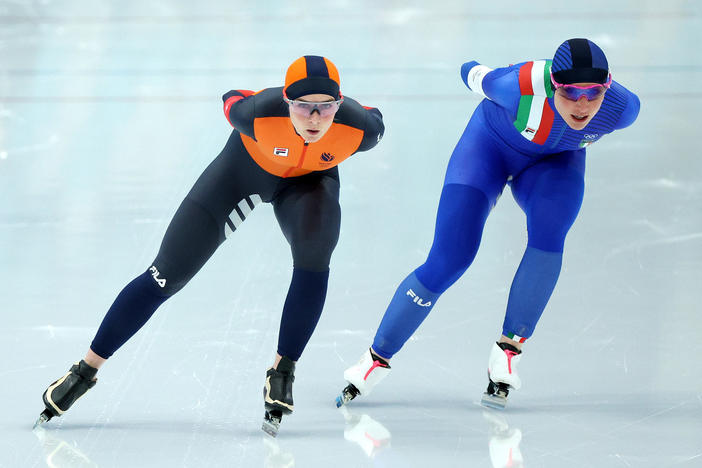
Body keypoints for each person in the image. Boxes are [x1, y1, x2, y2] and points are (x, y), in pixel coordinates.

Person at [36, 55, 385, 436]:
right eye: (303, 106)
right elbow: (232, 95)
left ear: (339, 103)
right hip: (240, 173)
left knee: (315, 258)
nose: (315, 118)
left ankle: (283, 369)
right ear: (286, 101)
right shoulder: (254, 114)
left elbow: (373, 114)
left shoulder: (360, 128)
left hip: (307, 186)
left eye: (326, 107)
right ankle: (84, 371)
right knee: (164, 276)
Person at [337, 38, 640, 409]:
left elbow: (590, 110)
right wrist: (478, 69)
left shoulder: (623, 109)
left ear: (607, 88)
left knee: (551, 231)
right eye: (571, 93)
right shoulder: (517, 86)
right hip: (488, 151)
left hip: (554, 163)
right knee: (451, 256)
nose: (583, 105)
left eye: (593, 93)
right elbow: (470, 70)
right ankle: (376, 358)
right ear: (553, 86)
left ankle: (509, 350)